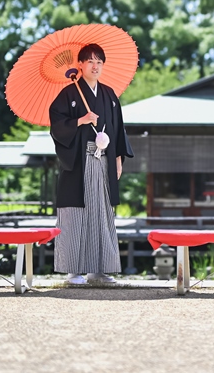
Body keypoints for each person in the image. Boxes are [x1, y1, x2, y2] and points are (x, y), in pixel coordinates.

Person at [49, 43, 133, 285]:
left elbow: (118, 130)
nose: (95, 66)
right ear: (81, 65)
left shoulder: (109, 95)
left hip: (104, 161)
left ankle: (99, 270)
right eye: (90, 62)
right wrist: (81, 121)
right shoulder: (68, 94)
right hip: (79, 161)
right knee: (76, 214)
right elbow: (57, 126)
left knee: (102, 213)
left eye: (99, 62)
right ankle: (73, 271)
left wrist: (117, 160)